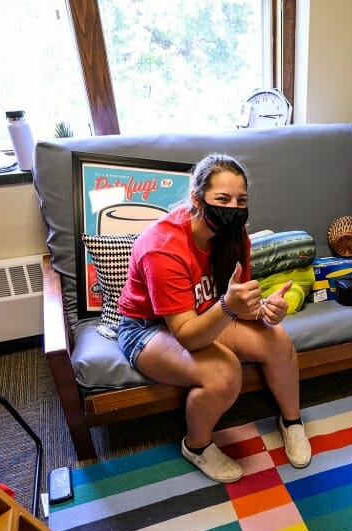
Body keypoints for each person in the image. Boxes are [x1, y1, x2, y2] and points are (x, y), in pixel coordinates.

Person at [117, 153, 311, 481]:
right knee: (223, 372)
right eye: (223, 199)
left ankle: (291, 421)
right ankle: (196, 445)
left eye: (241, 200)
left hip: (207, 312)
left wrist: (265, 310)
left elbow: (238, 301)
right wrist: (230, 307)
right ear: (197, 198)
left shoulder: (235, 236)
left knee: (277, 340)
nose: (233, 207)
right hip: (147, 327)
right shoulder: (162, 247)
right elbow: (189, 335)